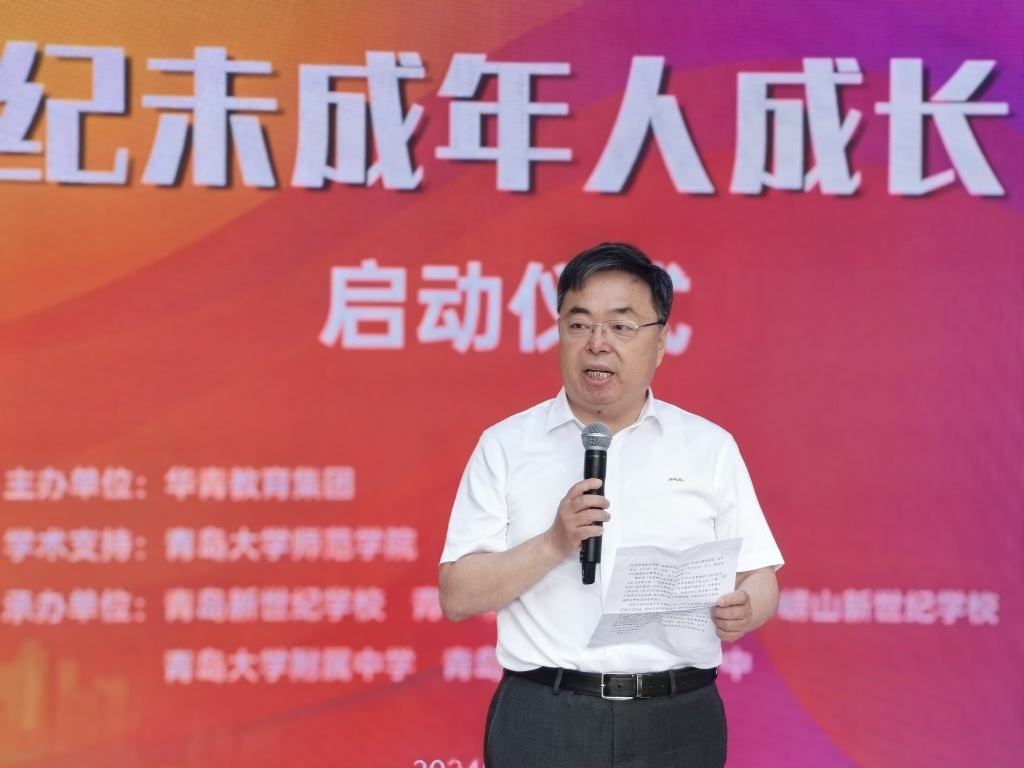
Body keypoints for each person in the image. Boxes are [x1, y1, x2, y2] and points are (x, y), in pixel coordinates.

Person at [438, 242, 783, 768]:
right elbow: (457, 596)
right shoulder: (505, 446)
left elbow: (760, 575)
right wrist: (554, 542)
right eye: (579, 325)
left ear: (660, 342)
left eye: (621, 326)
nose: (597, 344)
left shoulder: (708, 447)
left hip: (678, 719)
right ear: (559, 331)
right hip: (546, 715)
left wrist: (746, 608)